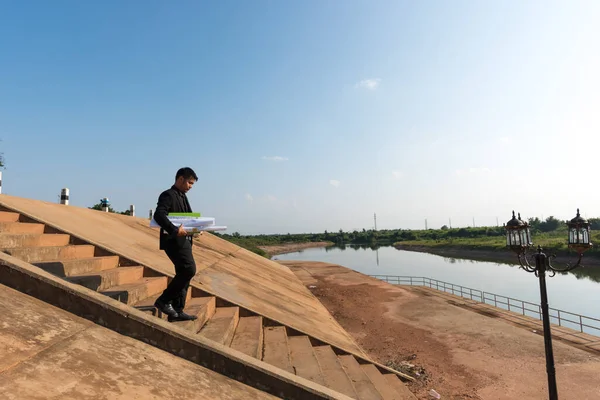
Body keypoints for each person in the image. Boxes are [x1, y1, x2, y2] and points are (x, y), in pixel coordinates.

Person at [153, 167, 201, 322]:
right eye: (189, 183)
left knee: (184, 273)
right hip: (173, 241)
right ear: (180, 179)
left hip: (184, 240)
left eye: (192, 184)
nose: (190, 187)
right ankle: (163, 301)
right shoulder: (168, 195)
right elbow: (159, 215)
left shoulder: (182, 196)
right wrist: (174, 230)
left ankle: (177, 311)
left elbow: (187, 219)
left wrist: (196, 229)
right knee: (189, 269)